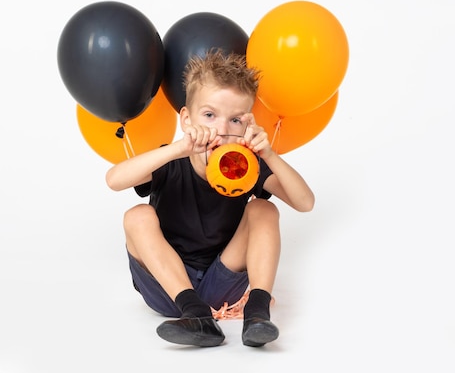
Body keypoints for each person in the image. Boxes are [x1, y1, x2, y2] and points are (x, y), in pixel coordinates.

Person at [105, 49, 315, 347]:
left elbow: (305, 202)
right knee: (136, 215)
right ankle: (196, 315)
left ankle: (257, 312)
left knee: (264, 209)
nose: (221, 129)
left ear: (248, 125)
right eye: (209, 115)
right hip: (167, 287)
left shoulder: (247, 164)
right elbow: (114, 180)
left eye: (235, 120)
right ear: (187, 119)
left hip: (222, 280)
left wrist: (268, 153)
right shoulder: (171, 158)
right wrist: (178, 149)